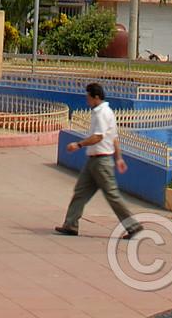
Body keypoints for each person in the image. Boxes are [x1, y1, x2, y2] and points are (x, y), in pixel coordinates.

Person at [55, 83, 139, 239]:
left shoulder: (101, 114)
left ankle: (133, 226)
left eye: (88, 96)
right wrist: (119, 158)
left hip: (101, 161)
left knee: (112, 195)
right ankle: (70, 225)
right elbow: (114, 137)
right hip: (94, 160)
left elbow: (98, 136)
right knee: (80, 192)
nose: (86, 99)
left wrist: (78, 144)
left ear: (96, 97)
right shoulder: (106, 112)